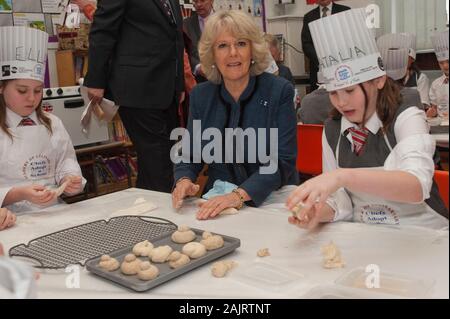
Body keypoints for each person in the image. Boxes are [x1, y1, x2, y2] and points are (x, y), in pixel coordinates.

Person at [286, 9, 448, 230]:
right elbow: (340, 198)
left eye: (350, 90)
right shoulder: (333, 129)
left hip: (423, 235)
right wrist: (319, 211)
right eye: (334, 93)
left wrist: (342, 176)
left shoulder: (406, 114)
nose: (341, 103)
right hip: (367, 235)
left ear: (379, 80)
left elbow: (416, 186)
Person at [172, 10, 298, 220]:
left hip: (272, 199)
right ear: (211, 54)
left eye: (240, 43)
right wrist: (184, 179)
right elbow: (190, 153)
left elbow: (282, 160)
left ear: (253, 50)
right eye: (222, 46)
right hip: (217, 201)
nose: (233, 53)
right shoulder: (201, 96)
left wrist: (237, 196)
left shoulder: (279, 91)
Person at [84, 0, 185, 193]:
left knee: (161, 161)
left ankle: (146, 211)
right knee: (159, 161)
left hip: (167, 88)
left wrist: (178, 82)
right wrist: (96, 80)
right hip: (137, 87)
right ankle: (162, 217)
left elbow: (176, 37)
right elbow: (103, 29)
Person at [0, 26, 85, 213]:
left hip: (53, 212)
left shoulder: (52, 122)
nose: (31, 98)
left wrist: (68, 179)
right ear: (1, 88)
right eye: (22, 91)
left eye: (38, 91)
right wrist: (19, 193)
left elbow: (66, 161)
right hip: (10, 218)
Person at [301, 0, 350, 92]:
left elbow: (350, 38)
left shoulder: (345, 11)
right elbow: (306, 44)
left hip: (342, 67)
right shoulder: (308, 16)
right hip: (318, 68)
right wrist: (321, 60)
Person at [377, 33, 430, 109]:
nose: (398, 60)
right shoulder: (382, 79)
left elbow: (423, 105)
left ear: (412, 59)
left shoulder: (418, 78)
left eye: (405, 57)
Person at [183, 0, 215, 82]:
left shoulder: (224, 22)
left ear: (212, 1)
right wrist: (197, 67)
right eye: (195, 1)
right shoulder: (186, 25)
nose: (199, 4)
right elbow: (185, 53)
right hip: (197, 82)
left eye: (203, 1)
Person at [427, 30, 449, 119]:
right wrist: (432, 112)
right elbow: (435, 108)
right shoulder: (436, 84)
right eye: (441, 63)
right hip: (442, 127)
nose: (445, 66)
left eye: (448, 61)